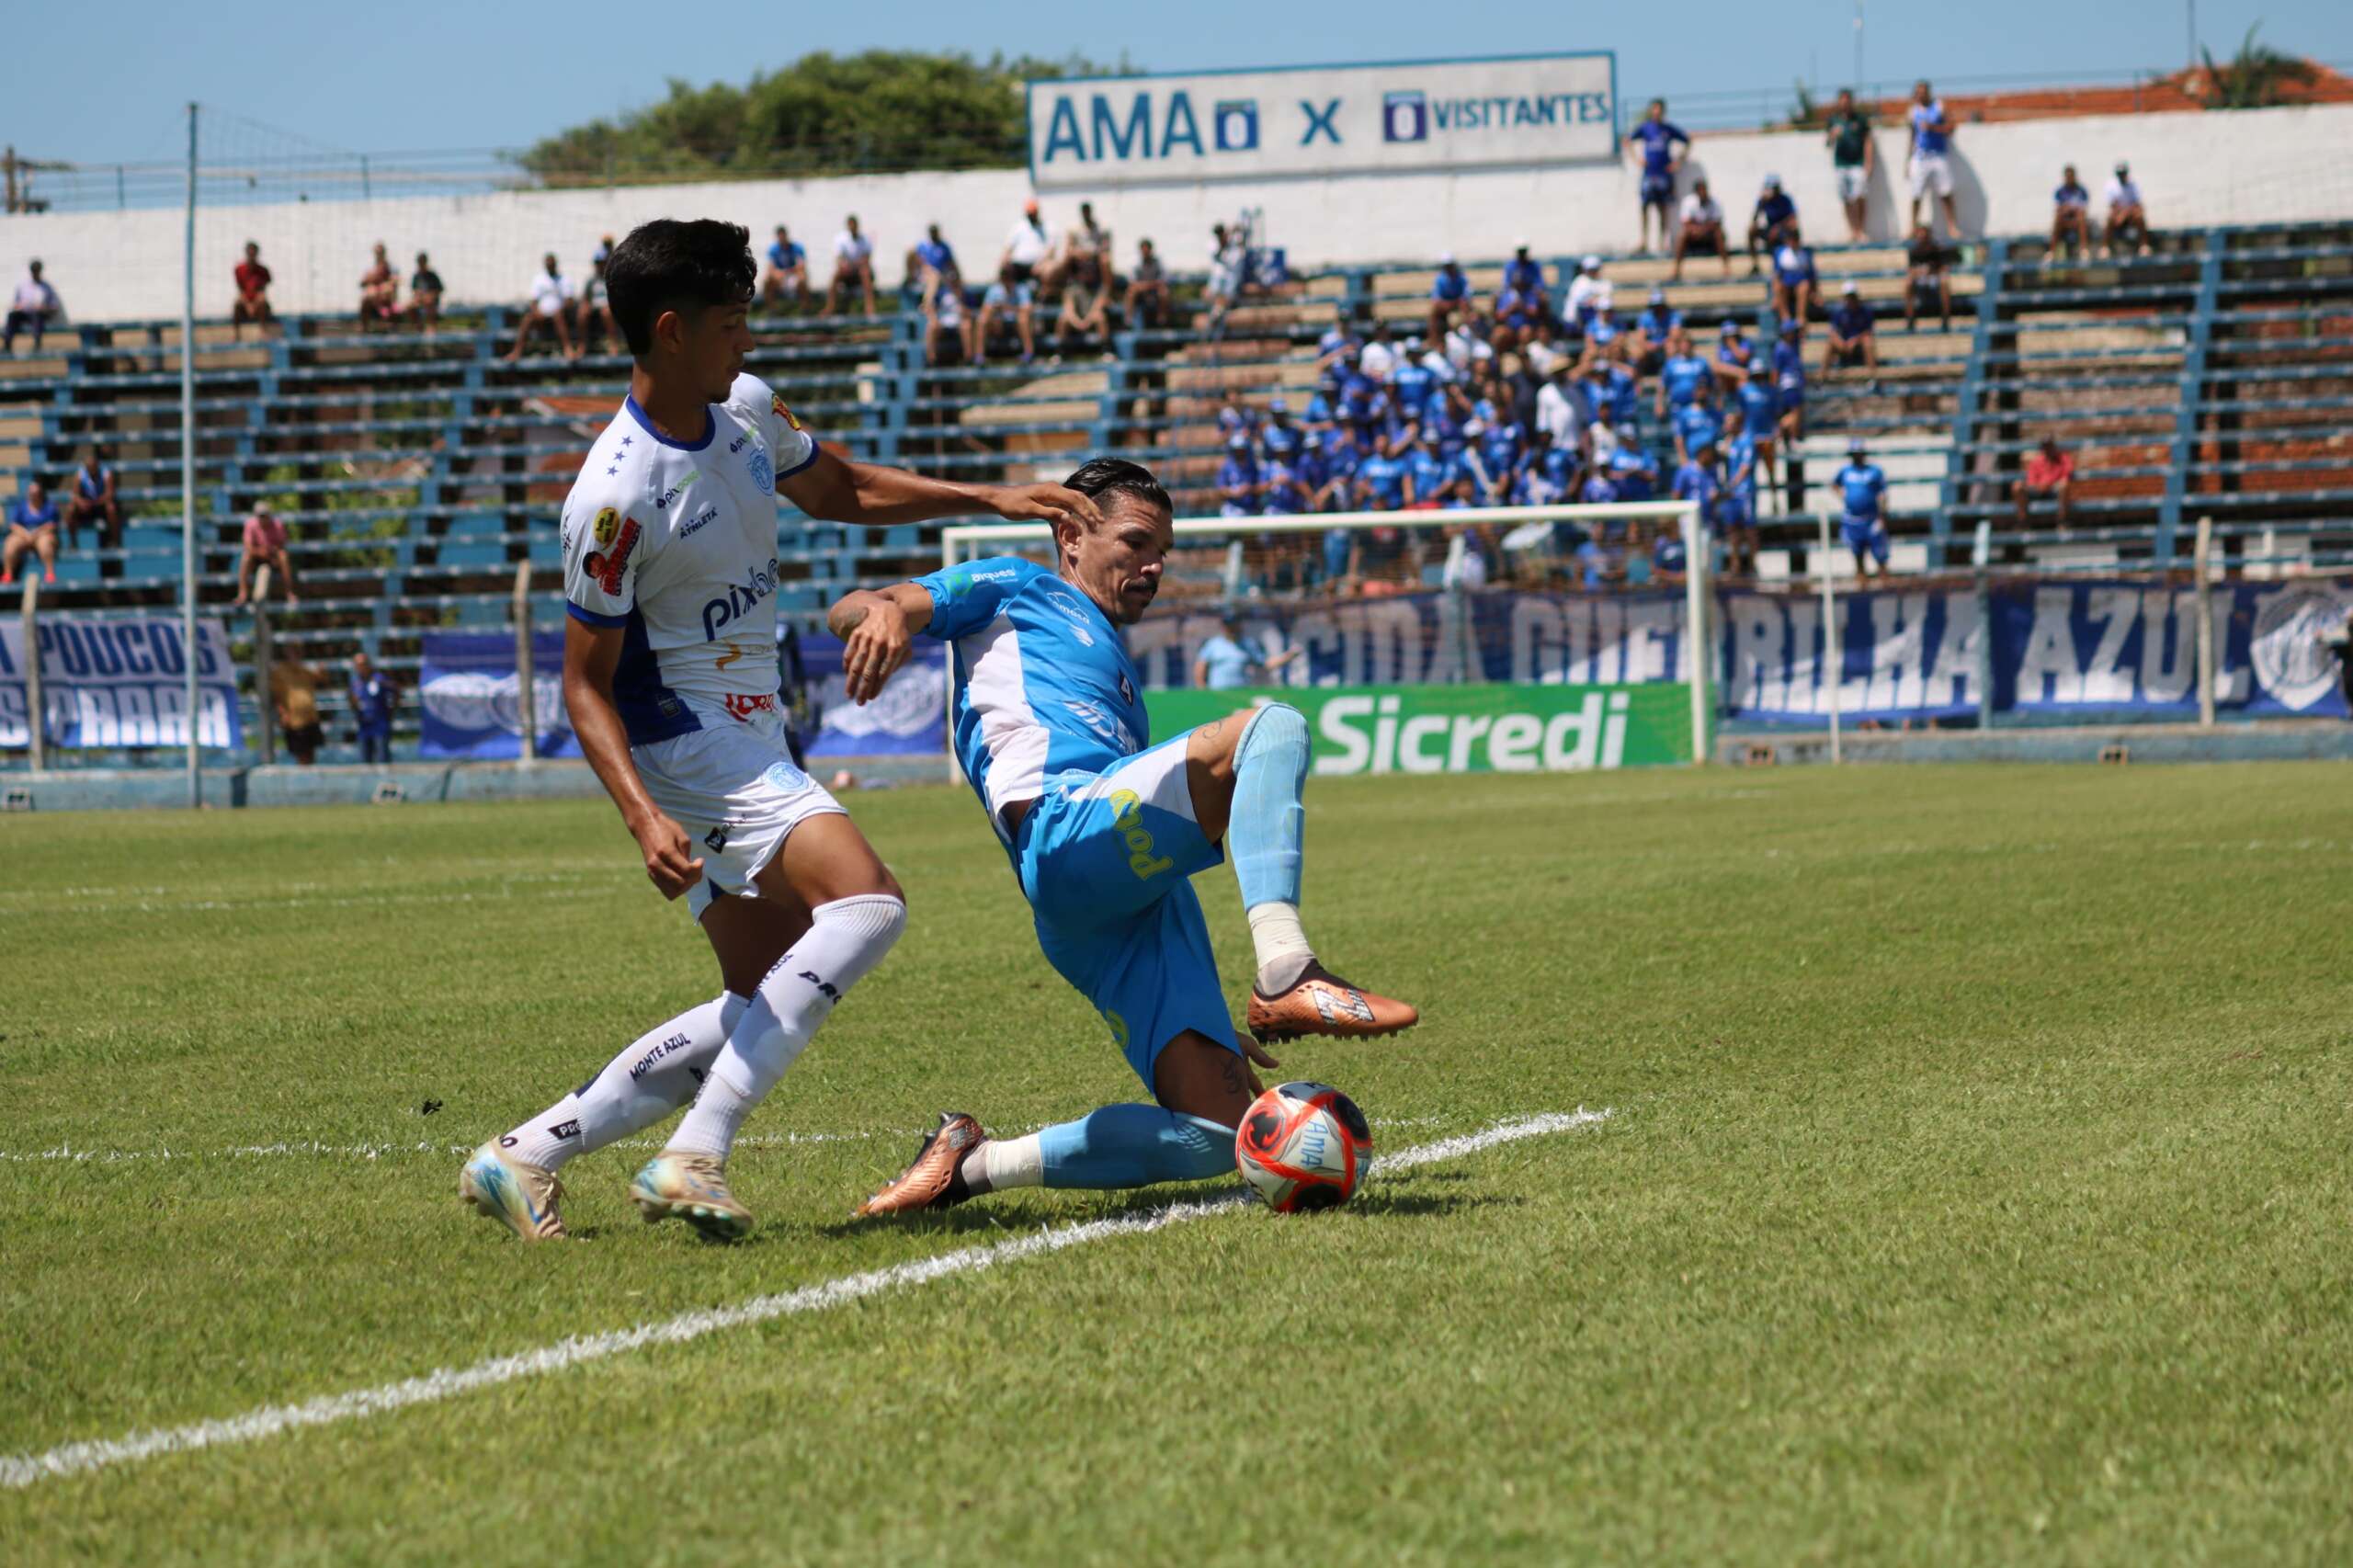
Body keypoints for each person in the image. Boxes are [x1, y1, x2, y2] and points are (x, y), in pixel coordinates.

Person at [457, 217, 1104, 1244]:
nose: (746, 345)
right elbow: (584, 682)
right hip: (689, 744)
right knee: (869, 903)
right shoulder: (616, 498)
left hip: (747, 733)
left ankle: (526, 1151)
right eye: (729, 326)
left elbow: (841, 486)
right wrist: (639, 815)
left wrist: (991, 494)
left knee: (758, 992)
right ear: (670, 332)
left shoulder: (746, 411)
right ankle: (693, 1154)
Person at [832, 458, 1417, 1219]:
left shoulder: (1116, 670)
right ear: (1069, 534)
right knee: (1272, 728)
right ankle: (1285, 967)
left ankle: (970, 1165)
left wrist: (1195, 1000)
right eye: (1137, 542)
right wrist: (877, 611)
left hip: (1110, 898)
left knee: (1216, 1132)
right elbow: (855, 604)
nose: (1154, 566)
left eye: (1162, 552)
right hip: (1064, 827)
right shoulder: (1018, 585)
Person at [1628, 98, 1690, 254]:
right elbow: (1628, 140)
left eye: (1659, 110)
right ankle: (1644, 240)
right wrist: (1637, 159)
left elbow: (1687, 140)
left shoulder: (1668, 129)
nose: (1656, 112)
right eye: (1654, 109)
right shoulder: (1645, 128)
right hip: (1649, 173)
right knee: (1645, 206)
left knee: (1663, 207)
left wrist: (1678, 162)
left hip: (1664, 174)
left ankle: (1662, 241)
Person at [1191, 606, 1302, 690]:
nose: (1231, 628)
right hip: (1218, 693)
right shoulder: (1213, 644)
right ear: (1223, 626)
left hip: (1239, 694)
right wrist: (1203, 691)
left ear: (1239, 624)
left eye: (1233, 624)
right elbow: (1200, 668)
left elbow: (1266, 664)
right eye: (1228, 625)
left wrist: (1288, 656)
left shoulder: (1248, 645)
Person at [1906, 81, 1961, 240]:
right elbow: (1911, 137)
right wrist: (1908, 161)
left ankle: (1952, 227)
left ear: (1929, 92)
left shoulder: (1939, 107)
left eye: (1923, 91)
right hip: (1920, 157)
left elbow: (1951, 128)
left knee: (1946, 192)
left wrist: (1933, 128)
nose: (1921, 95)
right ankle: (1912, 227)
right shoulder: (1912, 112)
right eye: (1918, 92)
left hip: (1938, 155)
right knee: (1916, 193)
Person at [1824, 88, 1876, 244]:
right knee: (1846, 198)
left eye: (1847, 101)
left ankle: (1861, 229)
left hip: (1857, 163)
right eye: (1842, 101)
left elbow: (1868, 141)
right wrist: (1832, 135)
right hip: (1841, 165)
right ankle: (1852, 230)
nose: (1845, 104)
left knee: (1860, 195)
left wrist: (1869, 162)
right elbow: (1827, 143)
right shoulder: (1833, 120)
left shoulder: (1860, 119)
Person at [1835, 438, 1891, 578]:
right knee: (1858, 556)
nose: (1857, 457)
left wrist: (1882, 516)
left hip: (1871, 519)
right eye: (1854, 454)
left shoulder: (1874, 471)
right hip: (1853, 520)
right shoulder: (1846, 471)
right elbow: (1834, 484)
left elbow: (1883, 494)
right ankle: (1862, 582)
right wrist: (1844, 496)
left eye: (1859, 454)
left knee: (1880, 555)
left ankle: (1884, 582)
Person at [506, 253, 577, 362]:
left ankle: (568, 349)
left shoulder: (564, 279)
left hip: (560, 315)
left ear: (556, 264)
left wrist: (560, 310)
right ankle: (517, 351)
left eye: (552, 263)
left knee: (559, 317)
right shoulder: (539, 279)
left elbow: (569, 301)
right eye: (548, 263)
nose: (550, 265)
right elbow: (534, 301)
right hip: (542, 315)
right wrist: (537, 311)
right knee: (527, 319)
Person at [62, 445, 121, 555]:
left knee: (111, 508)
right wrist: (81, 502)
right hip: (86, 507)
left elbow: (109, 494)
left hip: (100, 505)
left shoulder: (106, 473)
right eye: (89, 468)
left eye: (93, 467)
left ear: (97, 465)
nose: (91, 470)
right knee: (70, 509)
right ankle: (73, 541)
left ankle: (114, 540)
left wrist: (94, 503)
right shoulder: (80, 474)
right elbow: (75, 495)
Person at [234, 502, 297, 606]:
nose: (263, 519)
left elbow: (282, 545)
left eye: (265, 516)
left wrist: (271, 553)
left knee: (283, 556)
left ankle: (289, 592)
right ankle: (243, 593)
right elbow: (248, 547)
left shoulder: (277, 525)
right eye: (260, 516)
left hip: (272, 558)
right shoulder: (251, 525)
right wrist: (260, 552)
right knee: (246, 557)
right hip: (256, 559)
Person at [977, 262, 1038, 366]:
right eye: (1004, 275)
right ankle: (979, 356)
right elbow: (985, 309)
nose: (1007, 279)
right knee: (983, 319)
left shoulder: (1021, 289)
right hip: (998, 325)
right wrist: (995, 310)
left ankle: (1029, 353)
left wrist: (1007, 308)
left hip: (1016, 325)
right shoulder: (994, 289)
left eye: (1009, 275)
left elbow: (1028, 309)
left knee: (1023, 319)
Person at [1, 483, 60, 586]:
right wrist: (25, 534)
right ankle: (8, 574)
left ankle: (50, 574)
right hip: (23, 535)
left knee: (45, 543)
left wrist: (36, 533)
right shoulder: (22, 506)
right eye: (31, 493)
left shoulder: (49, 506)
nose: (33, 496)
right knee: (10, 543)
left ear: (41, 493)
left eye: (36, 493)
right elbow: (13, 525)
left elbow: (52, 525)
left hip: (42, 534)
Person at [1673, 178, 1729, 282]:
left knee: (1719, 234)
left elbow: (1717, 223)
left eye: (1704, 190)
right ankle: (1676, 269)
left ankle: (1726, 268)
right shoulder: (1688, 202)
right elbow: (1685, 223)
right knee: (1682, 235)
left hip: (1709, 237)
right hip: (1694, 237)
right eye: (1700, 190)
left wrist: (1702, 230)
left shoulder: (1715, 202)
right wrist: (1697, 230)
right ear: (1696, 192)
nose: (1703, 193)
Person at [270, 658, 324, 765]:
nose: (296, 655)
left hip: (311, 718)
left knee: (311, 753)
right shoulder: (279, 673)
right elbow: (275, 697)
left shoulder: (305, 671)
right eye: (293, 651)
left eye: (298, 652)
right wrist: (283, 713)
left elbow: (321, 680)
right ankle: (303, 778)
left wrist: (322, 671)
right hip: (295, 721)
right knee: (301, 754)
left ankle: (309, 777)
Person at [2016, 435, 2075, 524]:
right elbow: (2031, 481)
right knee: (2017, 486)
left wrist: (2050, 484)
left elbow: (2068, 475)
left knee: (2064, 485)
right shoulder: (2036, 461)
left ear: (2053, 446)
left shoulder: (2064, 458)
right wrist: (2039, 486)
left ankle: (2062, 520)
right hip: (2038, 490)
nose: (2048, 449)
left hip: (2055, 490)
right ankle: (2023, 520)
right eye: (2045, 447)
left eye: (2049, 446)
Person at [5, 260, 62, 353]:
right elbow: (16, 302)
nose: (35, 273)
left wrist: (44, 308)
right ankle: (7, 343)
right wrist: (18, 306)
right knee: (12, 315)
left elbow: (54, 306)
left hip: (39, 314)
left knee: (36, 315)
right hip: (25, 313)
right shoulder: (23, 286)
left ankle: (37, 343)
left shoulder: (47, 287)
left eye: (37, 270)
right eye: (34, 270)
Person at [348, 651, 395, 764]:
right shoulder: (355, 682)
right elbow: (352, 701)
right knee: (365, 761)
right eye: (358, 664)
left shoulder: (380, 679)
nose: (361, 667)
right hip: (364, 726)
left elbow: (396, 690)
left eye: (363, 664)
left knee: (382, 759)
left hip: (380, 724)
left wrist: (391, 710)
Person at [1904, 222, 1952, 333]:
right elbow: (1910, 270)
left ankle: (1945, 318)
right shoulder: (1914, 251)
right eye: (1920, 236)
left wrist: (1932, 271)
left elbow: (1945, 268)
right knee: (1908, 282)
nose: (1922, 238)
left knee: (1944, 281)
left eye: (1925, 236)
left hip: (1934, 278)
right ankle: (1910, 318)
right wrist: (1920, 272)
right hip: (1920, 279)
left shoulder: (1937, 249)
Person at [1824, 280, 1878, 379]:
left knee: (1868, 342)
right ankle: (1823, 377)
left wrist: (1855, 340)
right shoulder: (1839, 312)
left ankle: (1873, 378)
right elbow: (1833, 332)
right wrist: (1842, 344)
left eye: (1852, 296)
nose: (1851, 300)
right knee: (1831, 342)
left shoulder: (1865, 312)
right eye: (1848, 297)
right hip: (1844, 346)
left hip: (1859, 346)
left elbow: (1868, 332)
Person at [827, 215, 877, 317]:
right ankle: (830, 306)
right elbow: (839, 259)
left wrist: (852, 266)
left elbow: (866, 260)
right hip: (848, 273)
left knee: (865, 272)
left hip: (859, 273)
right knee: (836, 275)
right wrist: (845, 266)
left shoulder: (865, 239)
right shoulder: (841, 239)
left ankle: (869, 306)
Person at [1747, 176, 1798, 276]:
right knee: (1751, 231)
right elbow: (1755, 219)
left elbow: (1792, 219)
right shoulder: (1764, 201)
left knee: (1791, 232)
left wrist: (1778, 228)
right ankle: (1755, 264)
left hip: (1783, 230)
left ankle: (1788, 265)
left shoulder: (1786, 200)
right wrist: (1761, 204)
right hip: (1770, 230)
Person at [1771, 227, 1820, 325]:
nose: (1793, 242)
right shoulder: (1780, 253)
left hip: (1800, 284)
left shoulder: (1806, 253)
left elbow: (1812, 275)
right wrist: (1775, 296)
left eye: (1795, 240)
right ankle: (1785, 318)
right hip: (1786, 285)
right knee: (1779, 286)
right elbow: (1777, 275)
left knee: (1804, 286)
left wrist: (1815, 293)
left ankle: (1800, 318)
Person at [2103, 163, 2151, 258]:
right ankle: (2105, 247)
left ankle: (2144, 245)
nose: (2121, 176)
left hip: (2129, 216)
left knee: (2139, 217)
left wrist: (2124, 214)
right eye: (2120, 174)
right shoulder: (2111, 186)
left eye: (2123, 173)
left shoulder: (2134, 185)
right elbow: (2113, 206)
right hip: (2118, 216)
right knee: (2110, 218)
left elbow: (2137, 205)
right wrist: (2120, 215)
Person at [759, 225, 811, 311]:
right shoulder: (773, 249)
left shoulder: (797, 248)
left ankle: (805, 308)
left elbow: (801, 266)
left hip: (794, 277)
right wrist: (780, 273)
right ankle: (772, 309)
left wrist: (788, 271)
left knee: (802, 278)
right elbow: (770, 268)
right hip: (780, 278)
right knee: (766, 280)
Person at [232, 242, 274, 340]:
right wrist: (247, 305)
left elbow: (262, 293)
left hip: (258, 303)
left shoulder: (263, 271)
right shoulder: (239, 270)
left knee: (263, 304)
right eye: (250, 253)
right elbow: (241, 290)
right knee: (237, 305)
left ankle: (263, 331)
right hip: (246, 302)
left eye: (253, 254)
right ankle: (236, 334)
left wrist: (254, 305)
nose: (251, 256)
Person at [1427, 254, 1472, 345]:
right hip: (1447, 307)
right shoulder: (1440, 279)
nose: (1448, 268)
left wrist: (1453, 303)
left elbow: (1466, 298)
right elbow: (1436, 299)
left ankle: (1471, 339)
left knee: (1465, 307)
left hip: (1459, 306)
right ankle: (1433, 340)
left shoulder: (1462, 278)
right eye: (1446, 266)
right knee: (1434, 311)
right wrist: (1450, 304)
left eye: (1449, 266)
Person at [2052, 165, 2093, 262]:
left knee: (2081, 217)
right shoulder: (2060, 191)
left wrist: (2069, 208)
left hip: (2077, 221)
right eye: (2067, 176)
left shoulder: (2081, 191)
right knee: (2058, 218)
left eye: (2071, 176)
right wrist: (2069, 209)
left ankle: (2084, 250)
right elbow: (2059, 209)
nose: (2069, 178)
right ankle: (2052, 251)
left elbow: (2083, 209)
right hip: (2064, 221)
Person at [575, 256, 616, 355]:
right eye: (598, 263)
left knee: (606, 313)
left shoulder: (610, 278)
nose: (600, 266)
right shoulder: (590, 281)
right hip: (594, 307)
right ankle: (582, 344)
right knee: (582, 313)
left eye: (601, 263)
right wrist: (586, 305)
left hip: (607, 306)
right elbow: (585, 298)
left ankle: (613, 343)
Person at [1125, 238, 1167, 329]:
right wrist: (1145, 286)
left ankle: (1162, 316)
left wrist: (1147, 285)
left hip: (1154, 291)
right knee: (1131, 292)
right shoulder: (1135, 263)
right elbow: (1132, 282)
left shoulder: (1158, 262)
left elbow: (1162, 280)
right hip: (1141, 292)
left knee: (1163, 292)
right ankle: (1129, 317)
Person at [358, 242, 399, 325]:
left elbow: (394, 281)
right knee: (369, 294)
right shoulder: (370, 267)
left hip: (386, 295)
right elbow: (362, 283)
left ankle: (385, 315)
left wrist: (383, 285)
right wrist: (371, 279)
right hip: (374, 295)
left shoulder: (391, 266)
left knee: (386, 290)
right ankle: (365, 327)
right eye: (377, 252)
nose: (379, 254)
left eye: (381, 252)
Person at [406, 252, 443, 333]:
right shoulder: (416, 276)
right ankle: (418, 327)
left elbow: (439, 289)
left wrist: (429, 295)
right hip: (420, 300)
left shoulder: (432, 275)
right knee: (409, 306)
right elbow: (414, 290)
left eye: (422, 261)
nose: (420, 264)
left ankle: (432, 326)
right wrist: (419, 295)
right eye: (419, 262)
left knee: (429, 301)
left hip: (431, 301)